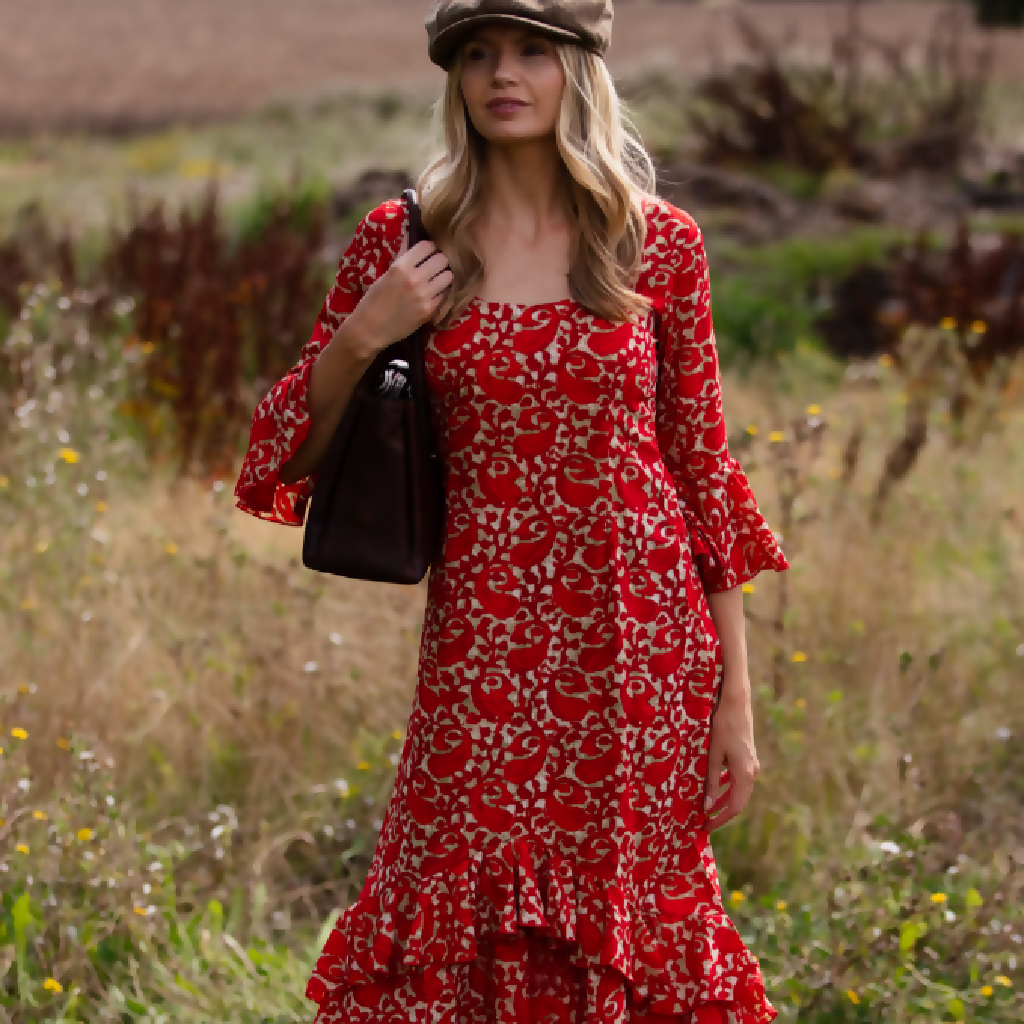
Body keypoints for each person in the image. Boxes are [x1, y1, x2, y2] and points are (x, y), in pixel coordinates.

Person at [234, 2, 788, 1021]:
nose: (503, 74)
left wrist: (734, 703)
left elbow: (702, 476)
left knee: (629, 918)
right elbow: (283, 451)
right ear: (453, 78)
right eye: (479, 54)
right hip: (482, 640)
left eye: (533, 50)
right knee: (449, 890)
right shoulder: (405, 243)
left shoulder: (655, 244)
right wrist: (366, 331)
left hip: (639, 646)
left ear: (579, 69)